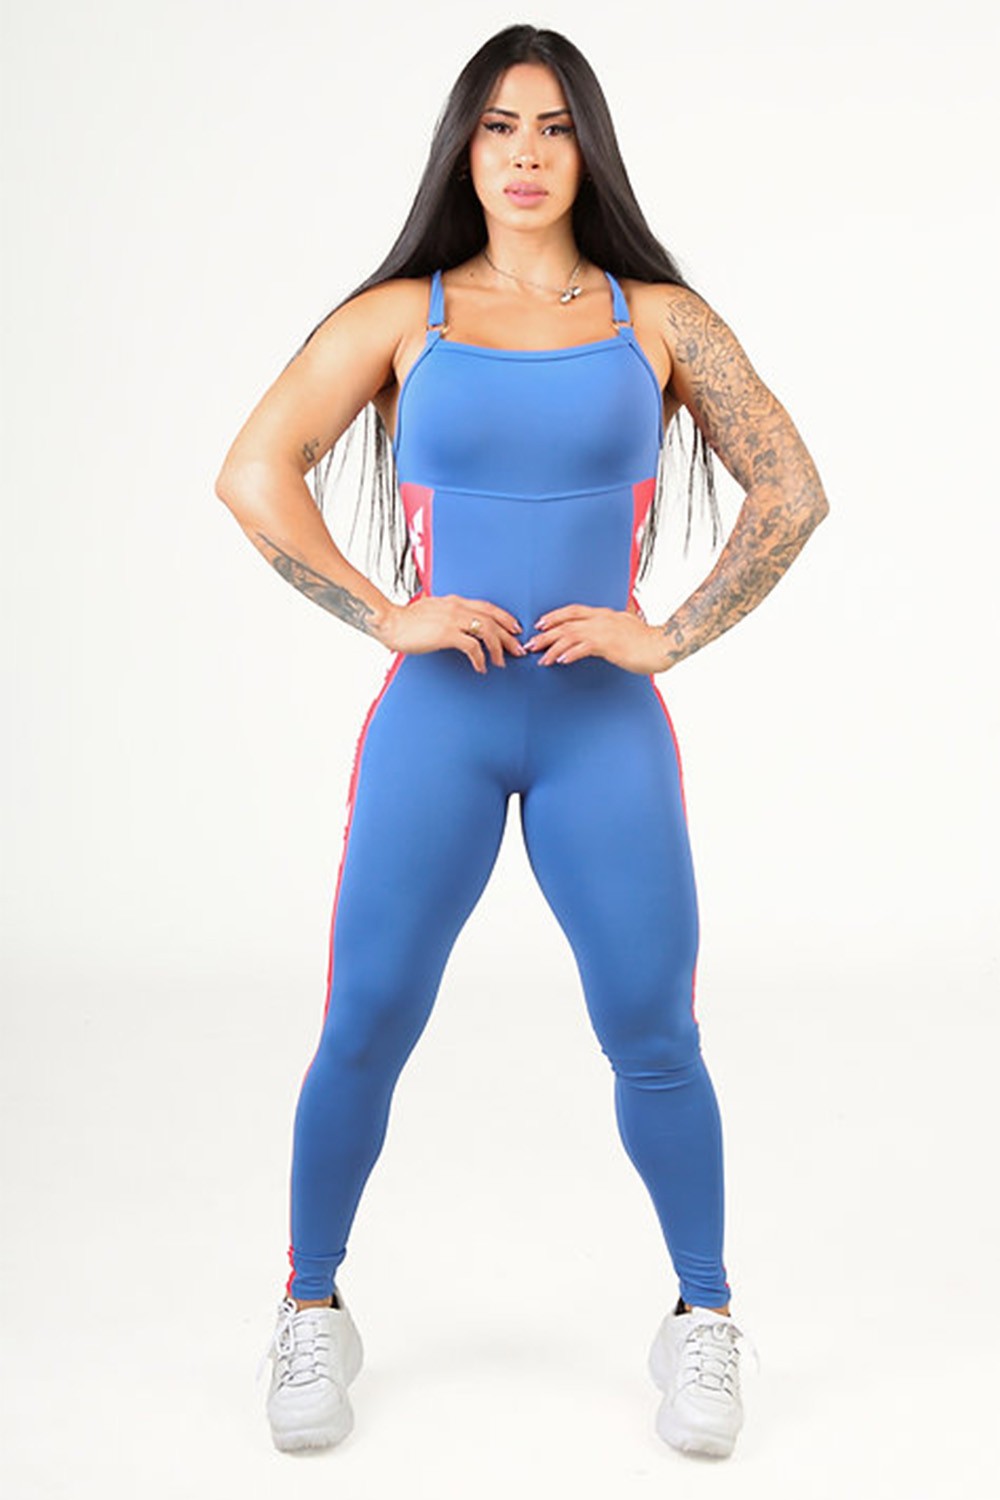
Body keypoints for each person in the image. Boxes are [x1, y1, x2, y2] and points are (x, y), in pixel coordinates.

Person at [216, 23, 828, 1461]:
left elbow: (792, 490)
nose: (528, 154)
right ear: (464, 150)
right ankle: (310, 1305)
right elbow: (253, 471)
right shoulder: (403, 318)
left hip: (602, 729)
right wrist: (387, 612)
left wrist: (668, 634)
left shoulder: (656, 319)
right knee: (366, 1017)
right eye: (499, 127)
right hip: (441, 722)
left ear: (588, 148)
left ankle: (704, 1316)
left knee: (653, 1029)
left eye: (554, 127)